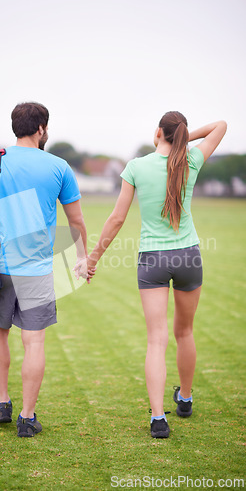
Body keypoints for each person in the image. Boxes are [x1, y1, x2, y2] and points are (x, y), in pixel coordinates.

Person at [75, 112, 227, 438]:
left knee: (156, 340)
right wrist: (184, 139)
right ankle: (184, 399)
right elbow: (220, 126)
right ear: (182, 135)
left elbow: (116, 219)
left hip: (152, 260)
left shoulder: (136, 167)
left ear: (158, 132)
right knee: (184, 332)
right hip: (188, 256)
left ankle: (159, 419)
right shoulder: (192, 158)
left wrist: (93, 257)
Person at [0, 102, 88, 438]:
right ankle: (26, 417)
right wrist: (83, 256)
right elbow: (75, 220)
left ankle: (2, 403)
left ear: (15, 127)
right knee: (34, 342)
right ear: (41, 129)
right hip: (35, 268)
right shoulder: (59, 166)